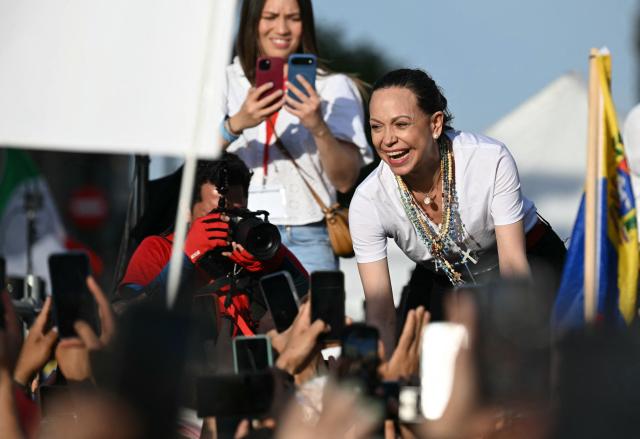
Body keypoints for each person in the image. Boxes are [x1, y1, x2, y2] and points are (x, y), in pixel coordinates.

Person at [349, 68, 567, 353]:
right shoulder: (368, 201)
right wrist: (384, 379)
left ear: (435, 124)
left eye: (400, 124)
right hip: (447, 278)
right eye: (377, 126)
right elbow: (380, 312)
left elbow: (514, 268)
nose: (387, 139)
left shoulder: (488, 160)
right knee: (421, 360)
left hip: (528, 262)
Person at [219, 0, 373, 274]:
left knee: (312, 317)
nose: (282, 28)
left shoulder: (334, 87)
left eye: (293, 17)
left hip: (308, 234)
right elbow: (194, 159)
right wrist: (238, 123)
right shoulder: (224, 81)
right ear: (251, 21)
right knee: (238, 317)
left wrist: (318, 126)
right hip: (236, 233)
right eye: (270, 16)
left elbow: (346, 180)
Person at [117, 153, 308, 336]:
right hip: (190, 362)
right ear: (187, 210)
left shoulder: (258, 246)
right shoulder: (159, 248)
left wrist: (273, 264)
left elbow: (311, 301)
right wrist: (186, 258)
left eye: (236, 214)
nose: (226, 222)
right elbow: (127, 314)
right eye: (216, 215)